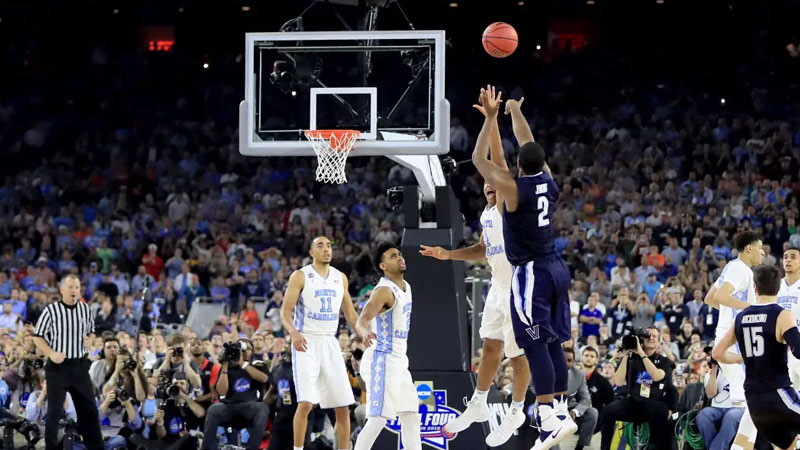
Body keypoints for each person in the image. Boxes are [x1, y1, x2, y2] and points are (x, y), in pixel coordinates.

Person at [420, 92, 529, 446]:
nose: (487, 183)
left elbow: (497, 159)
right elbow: (484, 248)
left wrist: (493, 119)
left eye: (493, 180)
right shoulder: (486, 214)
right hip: (498, 285)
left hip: (518, 286)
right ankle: (479, 403)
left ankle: (516, 409)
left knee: (517, 352)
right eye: (484, 183)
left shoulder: (509, 206)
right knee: (490, 346)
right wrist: (447, 255)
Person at [471, 85, 575, 449]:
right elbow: (529, 141)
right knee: (554, 342)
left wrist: (489, 119)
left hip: (530, 272)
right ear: (542, 163)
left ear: (518, 166)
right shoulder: (548, 180)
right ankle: (561, 410)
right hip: (557, 267)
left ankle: (546, 417)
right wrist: (514, 110)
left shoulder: (514, 191)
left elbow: (480, 161)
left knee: (534, 345)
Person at [280, 236, 365, 450]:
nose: (326, 249)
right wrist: (294, 333)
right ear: (311, 253)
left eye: (329, 246)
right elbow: (285, 312)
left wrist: (365, 334)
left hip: (329, 341)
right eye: (320, 246)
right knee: (306, 403)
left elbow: (352, 316)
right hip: (306, 341)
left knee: (343, 406)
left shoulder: (340, 278)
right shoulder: (300, 276)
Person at [713, 265, 800, 450]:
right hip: (778, 394)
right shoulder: (782, 314)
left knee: (787, 445)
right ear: (778, 287)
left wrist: (740, 358)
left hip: (754, 402)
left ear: (755, 288)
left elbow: (717, 353)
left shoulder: (741, 317)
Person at [352, 242, 421, 450]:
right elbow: (361, 321)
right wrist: (365, 334)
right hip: (382, 359)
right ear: (382, 266)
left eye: (399, 254)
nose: (399, 257)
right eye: (392, 256)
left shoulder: (406, 287)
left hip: (399, 360)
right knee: (378, 419)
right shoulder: (383, 291)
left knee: (410, 415)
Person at [704, 230, 764, 450]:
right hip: (735, 340)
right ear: (749, 248)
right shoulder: (742, 269)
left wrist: (734, 311)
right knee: (755, 401)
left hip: (726, 338)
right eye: (760, 248)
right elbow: (719, 298)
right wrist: (750, 309)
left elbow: (709, 298)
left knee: (751, 404)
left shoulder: (730, 267)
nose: (763, 253)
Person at [32, 274, 104, 450]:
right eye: (71, 287)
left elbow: (91, 333)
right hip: (58, 367)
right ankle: (51, 447)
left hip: (79, 366)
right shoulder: (51, 310)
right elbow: (37, 337)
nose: (74, 291)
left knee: (90, 410)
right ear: (62, 289)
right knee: (54, 412)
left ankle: (95, 447)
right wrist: (51, 353)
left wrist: (91, 341)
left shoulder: (85, 309)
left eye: (77, 287)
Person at [599, 326, 673, 450]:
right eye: (648, 335)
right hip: (633, 402)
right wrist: (626, 355)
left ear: (659, 341)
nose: (651, 338)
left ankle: (653, 447)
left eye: (655, 336)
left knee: (662, 411)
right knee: (607, 411)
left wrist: (642, 353)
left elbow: (656, 376)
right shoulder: (632, 359)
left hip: (653, 403)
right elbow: (619, 382)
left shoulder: (664, 361)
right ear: (642, 340)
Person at [696, 358, 744, 450]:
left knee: (730, 417)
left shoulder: (742, 370)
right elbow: (710, 394)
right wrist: (714, 369)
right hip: (717, 408)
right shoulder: (710, 375)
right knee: (703, 415)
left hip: (739, 406)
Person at [777, 248, 800, 387]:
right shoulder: (775, 286)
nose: (788, 260)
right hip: (779, 348)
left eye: (793, 257)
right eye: (785, 257)